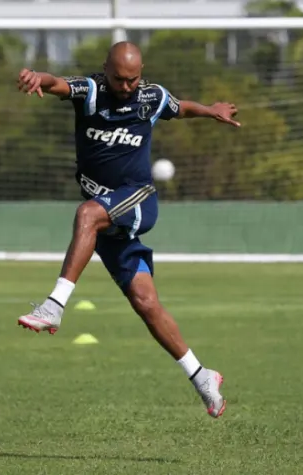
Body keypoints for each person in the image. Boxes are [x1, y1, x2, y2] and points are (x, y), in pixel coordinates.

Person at [15, 41, 240, 418]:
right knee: (146, 302)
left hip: (137, 200)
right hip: (109, 222)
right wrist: (39, 77)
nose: (127, 86)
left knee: (87, 213)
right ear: (106, 70)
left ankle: (54, 306)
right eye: (119, 79)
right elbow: (58, 84)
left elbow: (180, 107)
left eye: (133, 79)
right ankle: (202, 375)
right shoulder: (91, 92)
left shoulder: (151, 97)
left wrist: (211, 111)